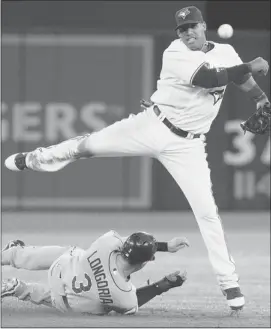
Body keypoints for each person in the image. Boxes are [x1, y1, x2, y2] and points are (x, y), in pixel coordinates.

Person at [4, 6, 270, 311]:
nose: (188, 33)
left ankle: (229, 284)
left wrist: (261, 99)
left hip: (189, 146)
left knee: (208, 213)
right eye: (183, 29)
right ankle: (38, 158)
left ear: (204, 26)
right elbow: (208, 78)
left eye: (193, 27)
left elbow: (242, 80)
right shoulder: (175, 51)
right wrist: (250, 64)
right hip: (152, 126)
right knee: (88, 146)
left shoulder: (225, 51)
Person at [1, 232, 189, 315]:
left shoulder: (107, 243)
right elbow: (135, 300)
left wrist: (166, 246)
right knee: (95, 306)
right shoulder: (124, 296)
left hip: (63, 264)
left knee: (72, 252)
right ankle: (17, 288)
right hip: (65, 299)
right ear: (145, 262)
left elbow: (129, 243)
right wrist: (165, 284)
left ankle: (10, 254)